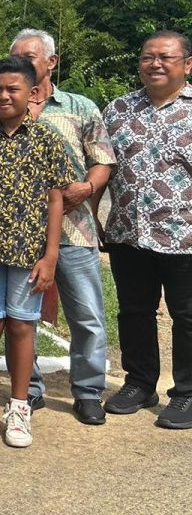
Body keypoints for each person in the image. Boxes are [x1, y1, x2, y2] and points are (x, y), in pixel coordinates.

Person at [0, 56, 76, 449]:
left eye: (13, 89)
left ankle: (19, 406)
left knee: (23, 325)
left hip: (29, 252)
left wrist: (51, 255)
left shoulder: (45, 140)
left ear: (33, 93)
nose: (3, 95)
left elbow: (56, 200)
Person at [10, 29, 116, 424]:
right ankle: (29, 388)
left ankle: (88, 391)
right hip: (17, 234)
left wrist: (88, 186)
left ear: (51, 62)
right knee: (22, 317)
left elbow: (102, 159)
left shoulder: (79, 106)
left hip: (74, 230)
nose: (23, 63)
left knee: (86, 315)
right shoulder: (2, 106)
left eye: (31, 57)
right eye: (16, 56)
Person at [101, 30, 192, 430]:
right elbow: (100, 168)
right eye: (147, 57)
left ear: (187, 64)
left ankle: (187, 393)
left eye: (165, 57)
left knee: (187, 316)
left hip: (184, 237)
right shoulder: (119, 109)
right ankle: (139, 383)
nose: (155, 64)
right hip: (127, 233)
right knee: (135, 311)